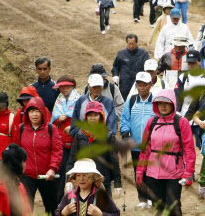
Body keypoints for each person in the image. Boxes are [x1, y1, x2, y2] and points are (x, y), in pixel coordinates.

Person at [136, 89, 197, 216]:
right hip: (153, 173)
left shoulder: (181, 122)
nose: (163, 106)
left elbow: (189, 150)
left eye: (166, 103)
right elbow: (145, 149)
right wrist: (140, 170)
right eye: (160, 103)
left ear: (173, 104)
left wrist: (189, 173)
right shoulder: (152, 122)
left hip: (173, 174)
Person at [13, 97, 63, 213]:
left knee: (51, 206)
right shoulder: (21, 128)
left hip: (47, 175)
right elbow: (17, 150)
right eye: (31, 111)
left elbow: (57, 150)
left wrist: (52, 168)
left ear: (43, 112)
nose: (34, 114)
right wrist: (17, 169)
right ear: (27, 113)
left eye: (37, 111)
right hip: (26, 175)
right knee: (25, 207)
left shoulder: (51, 129)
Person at [67, 101, 122, 196]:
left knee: (104, 208)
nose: (92, 118)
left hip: (103, 179)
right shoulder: (80, 135)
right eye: (90, 115)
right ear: (86, 117)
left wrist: (117, 183)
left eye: (95, 115)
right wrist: (69, 179)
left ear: (101, 116)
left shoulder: (108, 136)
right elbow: (72, 158)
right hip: (83, 181)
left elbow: (114, 161)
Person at [121, 72, 155, 209]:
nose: (141, 88)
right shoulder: (131, 100)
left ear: (150, 85)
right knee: (138, 172)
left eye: (144, 85)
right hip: (135, 145)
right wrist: (124, 132)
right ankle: (142, 199)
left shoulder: (156, 101)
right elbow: (125, 118)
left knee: (152, 172)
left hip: (152, 145)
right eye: (139, 85)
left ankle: (152, 198)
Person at [51, 75, 80, 202]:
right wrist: (58, 119)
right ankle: (60, 200)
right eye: (61, 87)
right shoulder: (58, 100)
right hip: (61, 141)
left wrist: (73, 126)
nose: (63, 89)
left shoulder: (79, 100)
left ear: (72, 86)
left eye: (66, 86)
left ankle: (78, 198)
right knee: (61, 170)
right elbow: (53, 122)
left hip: (76, 141)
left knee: (77, 170)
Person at [111, 34, 150, 100]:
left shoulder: (144, 54)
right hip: (125, 85)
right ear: (127, 43)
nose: (131, 46)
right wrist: (115, 75)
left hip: (139, 85)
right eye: (129, 44)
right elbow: (116, 66)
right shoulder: (121, 53)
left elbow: (149, 67)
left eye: (133, 44)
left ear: (137, 43)